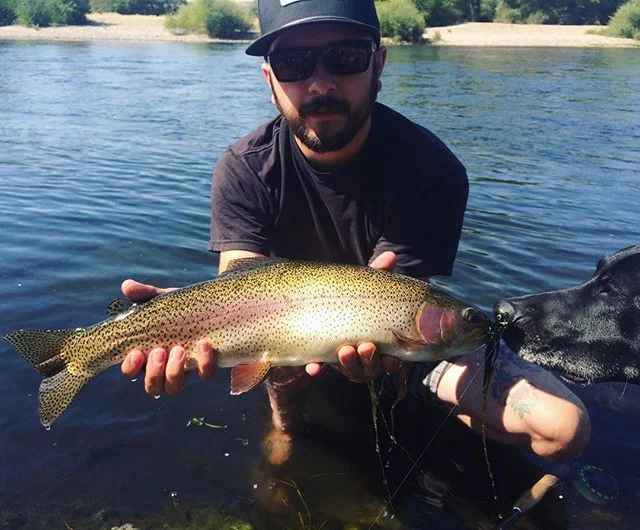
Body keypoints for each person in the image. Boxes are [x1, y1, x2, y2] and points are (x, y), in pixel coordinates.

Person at [121, 0, 590, 463]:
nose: (320, 84)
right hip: (279, 338)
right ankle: (286, 428)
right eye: (293, 63)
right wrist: (178, 315)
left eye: (345, 57)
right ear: (270, 80)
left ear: (378, 65)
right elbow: (239, 279)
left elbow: (404, 303)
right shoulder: (244, 168)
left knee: (563, 428)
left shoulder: (431, 170)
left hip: (393, 345)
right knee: (274, 347)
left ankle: (419, 403)